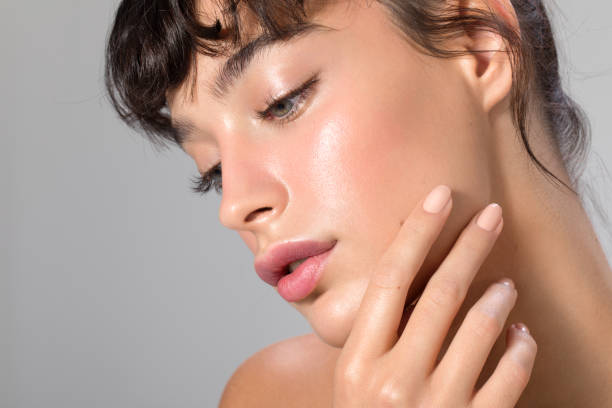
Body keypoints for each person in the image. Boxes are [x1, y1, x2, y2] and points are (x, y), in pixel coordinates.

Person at [104, 0, 612, 406]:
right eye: (213, 170)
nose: (234, 205)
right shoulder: (270, 397)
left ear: (479, 44)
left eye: (282, 101)